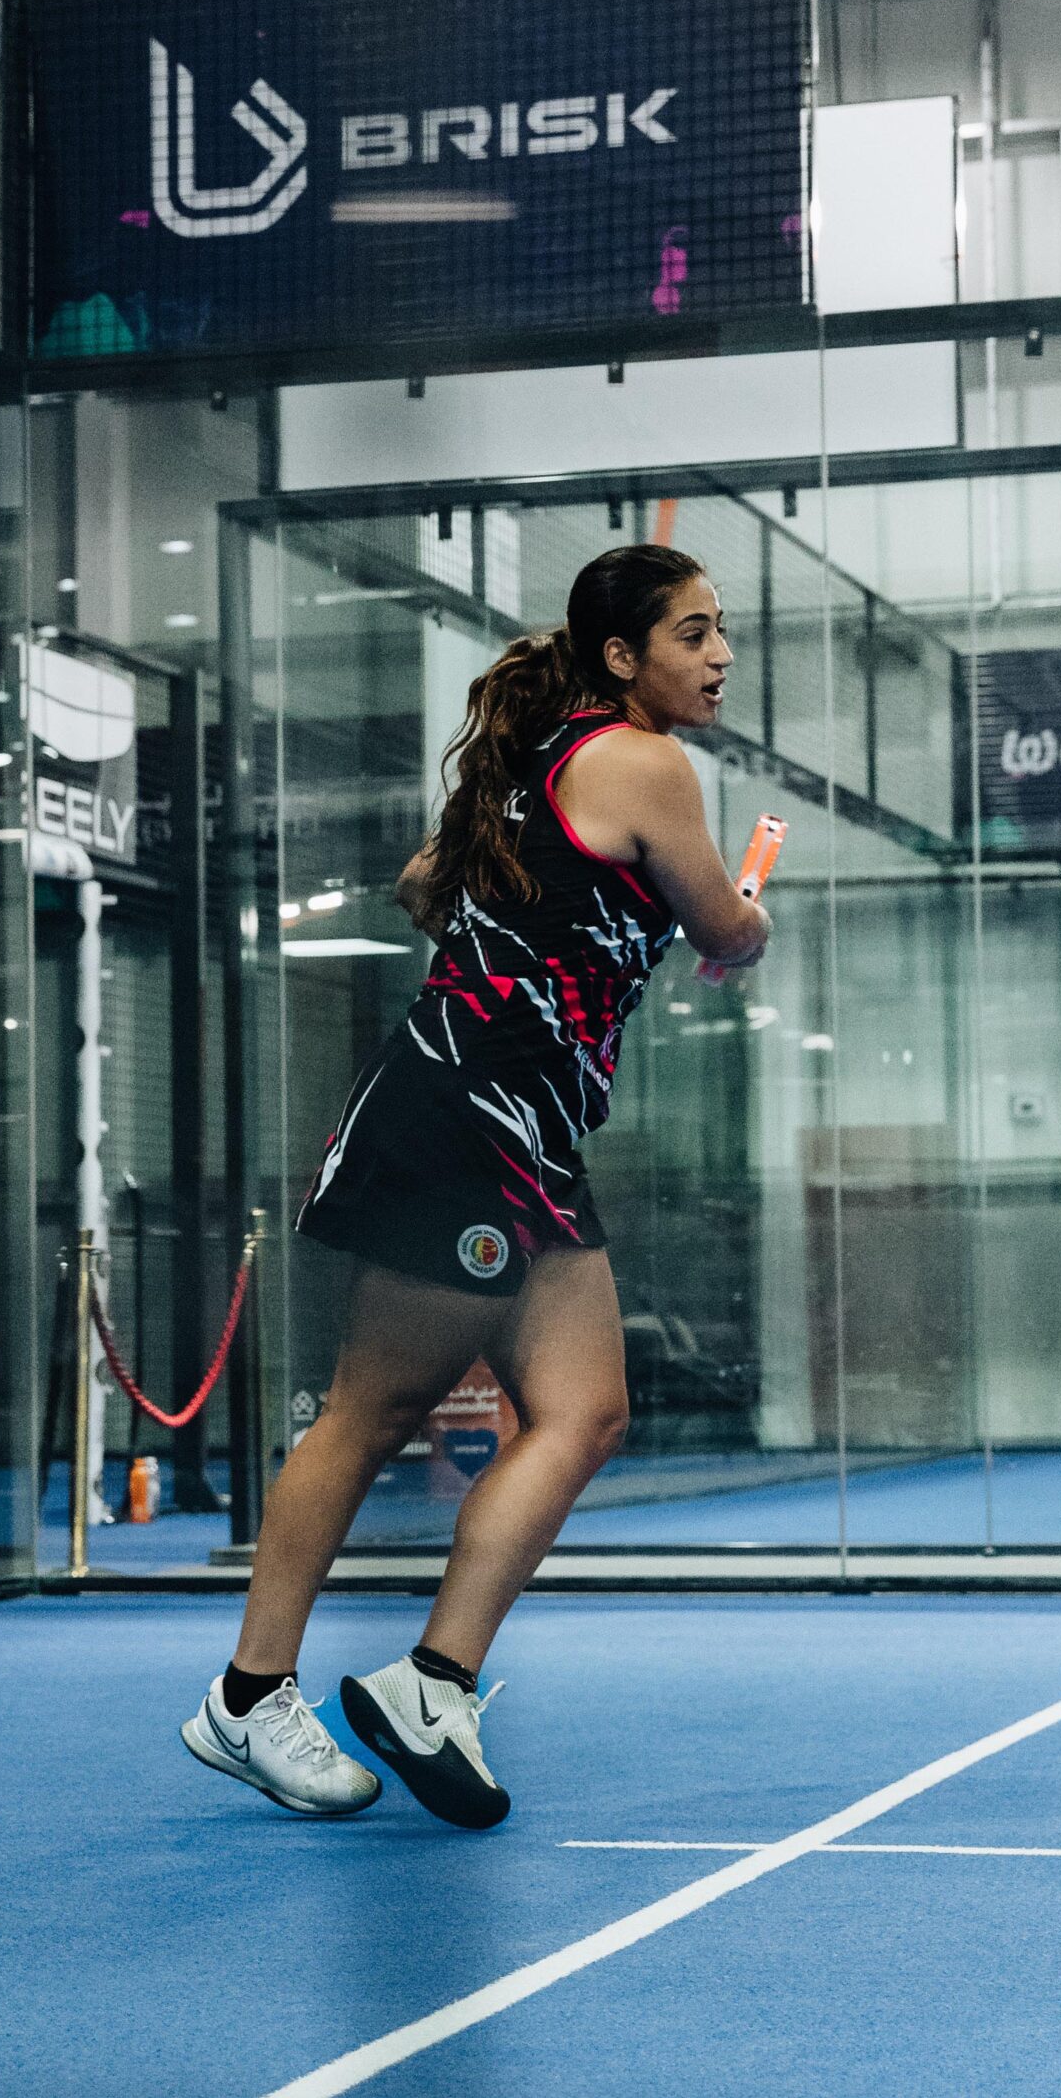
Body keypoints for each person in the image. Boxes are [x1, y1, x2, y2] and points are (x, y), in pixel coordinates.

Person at [182, 545, 771, 1830]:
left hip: (519, 1130)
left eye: (720, 630)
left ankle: (429, 1681)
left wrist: (524, 943)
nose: (719, 654)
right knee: (370, 1409)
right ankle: (248, 1697)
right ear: (620, 656)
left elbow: (420, 886)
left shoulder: (532, 759)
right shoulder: (643, 761)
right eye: (692, 633)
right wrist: (743, 922)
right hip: (468, 1124)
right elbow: (726, 930)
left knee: (584, 1412)